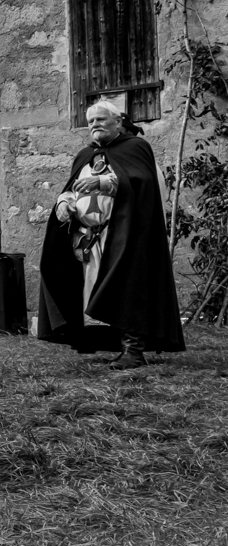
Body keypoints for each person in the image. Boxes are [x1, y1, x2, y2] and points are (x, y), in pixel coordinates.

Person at [39, 100, 185, 369]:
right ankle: (98, 340)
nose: (94, 125)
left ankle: (133, 350)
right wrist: (63, 202)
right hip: (87, 238)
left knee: (129, 288)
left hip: (123, 235)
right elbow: (72, 188)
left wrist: (107, 182)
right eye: (90, 121)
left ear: (118, 121)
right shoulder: (85, 154)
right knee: (90, 292)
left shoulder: (136, 148)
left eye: (101, 120)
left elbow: (145, 185)